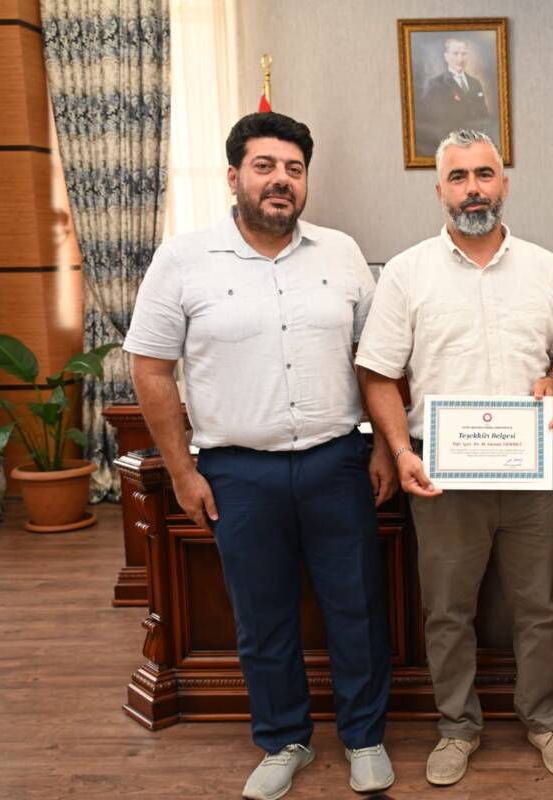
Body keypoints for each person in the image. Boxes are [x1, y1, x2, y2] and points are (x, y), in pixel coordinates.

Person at [124, 112, 397, 799]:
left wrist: (385, 447)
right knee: (262, 614)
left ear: (306, 181)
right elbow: (150, 368)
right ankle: (284, 740)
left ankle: (364, 735)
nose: (280, 180)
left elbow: (376, 361)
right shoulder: (183, 259)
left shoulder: (341, 253)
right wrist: (182, 472)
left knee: (357, 606)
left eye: (293, 169)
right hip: (238, 471)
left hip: (338, 462)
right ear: (234, 176)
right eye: (265, 167)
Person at [355, 129, 553, 787]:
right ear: (439, 190)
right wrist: (399, 451)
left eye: (485, 174)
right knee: (447, 610)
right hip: (441, 475)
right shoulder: (407, 272)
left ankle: (545, 720)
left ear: (504, 184)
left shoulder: (546, 268)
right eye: (459, 177)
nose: (473, 188)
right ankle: (458, 727)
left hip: (533, 470)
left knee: (538, 605)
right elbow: (377, 373)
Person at [415, 38, 495, 155]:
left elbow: (484, 116)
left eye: (464, 54)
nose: (460, 59)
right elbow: (433, 124)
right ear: (446, 56)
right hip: (451, 150)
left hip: (476, 148)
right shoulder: (435, 85)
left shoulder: (475, 83)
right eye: (455, 54)